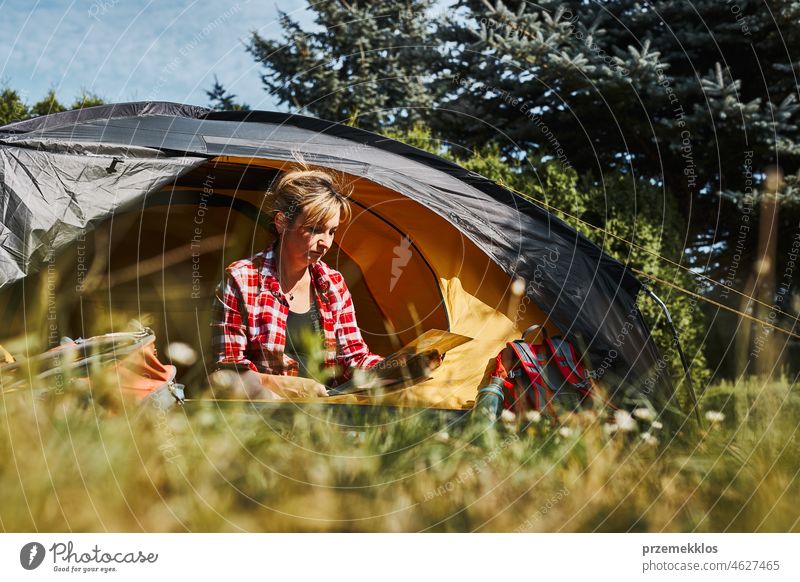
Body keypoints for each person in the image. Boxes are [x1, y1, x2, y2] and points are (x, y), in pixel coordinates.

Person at [209, 164, 383, 400]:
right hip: (262, 417)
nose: (326, 243)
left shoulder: (333, 284)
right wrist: (287, 387)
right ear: (281, 222)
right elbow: (226, 372)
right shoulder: (241, 280)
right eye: (315, 230)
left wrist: (398, 367)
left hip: (327, 415)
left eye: (332, 232)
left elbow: (355, 358)